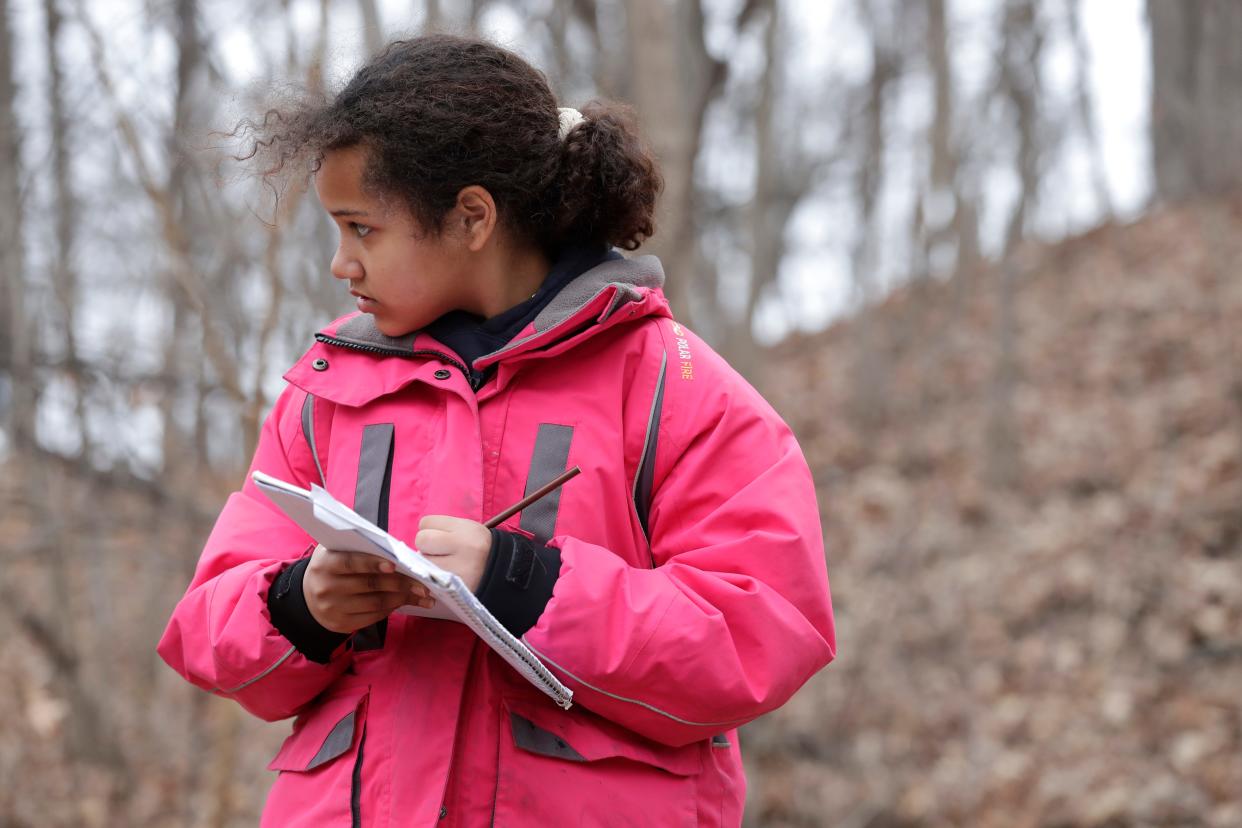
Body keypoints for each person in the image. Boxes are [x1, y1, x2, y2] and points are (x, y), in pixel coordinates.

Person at [158, 33, 835, 828]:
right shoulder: (324, 394)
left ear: (471, 217)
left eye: (361, 229)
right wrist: (301, 603)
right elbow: (205, 629)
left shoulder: (672, 386)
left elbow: (763, 631)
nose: (341, 264)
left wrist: (529, 583)